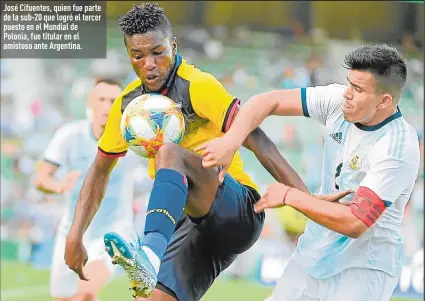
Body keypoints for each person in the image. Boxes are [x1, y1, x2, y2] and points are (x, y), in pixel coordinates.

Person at [61, 3, 346, 301]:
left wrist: (308, 202)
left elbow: (259, 141)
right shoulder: (128, 105)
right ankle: (150, 256)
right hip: (191, 227)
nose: (149, 63)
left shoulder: (197, 86)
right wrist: (75, 233)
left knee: (168, 152)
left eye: (158, 52)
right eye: (138, 55)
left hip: (237, 210)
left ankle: (149, 252)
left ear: (173, 45)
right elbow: (99, 168)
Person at [197, 44, 421, 301]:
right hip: (315, 248)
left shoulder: (398, 146)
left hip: (363, 267)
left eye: (358, 89)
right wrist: (230, 142)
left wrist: (291, 196)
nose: (347, 94)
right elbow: (266, 101)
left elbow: (355, 222)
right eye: (349, 83)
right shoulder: (338, 102)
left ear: (385, 101)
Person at [35, 78, 141, 301]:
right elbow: (41, 178)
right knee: (66, 298)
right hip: (72, 231)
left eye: (113, 100)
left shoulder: (133, 140)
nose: (107, 105)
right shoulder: (70, 135)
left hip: (113, 230)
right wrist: (59, 186)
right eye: (101, 99)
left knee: (86, 293)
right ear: (90, 103)